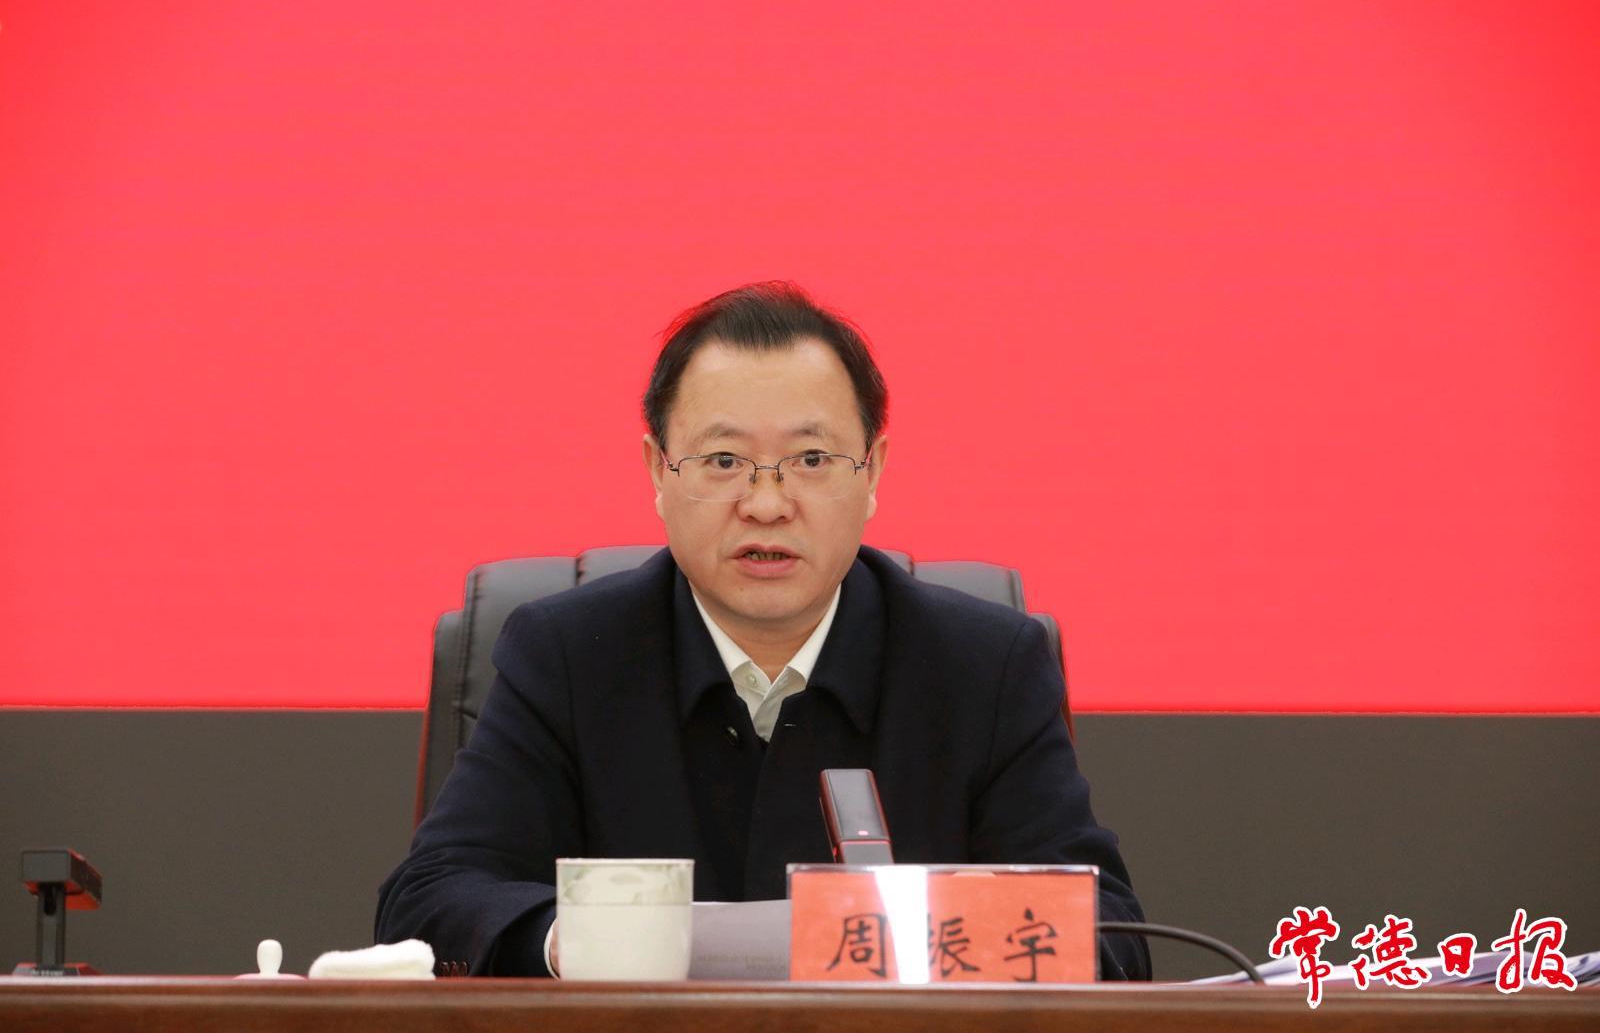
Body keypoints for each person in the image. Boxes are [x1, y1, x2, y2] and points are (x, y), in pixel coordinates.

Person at [375, 282, 1151, 979]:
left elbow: (1110, 937)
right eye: (724, 461)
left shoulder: (985, 667)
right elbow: (430, 899)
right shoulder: (568, 656)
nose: (767, 504)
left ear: (872, 471)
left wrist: (905, 938)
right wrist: (574, 940)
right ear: (658, 470)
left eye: (810, 458)